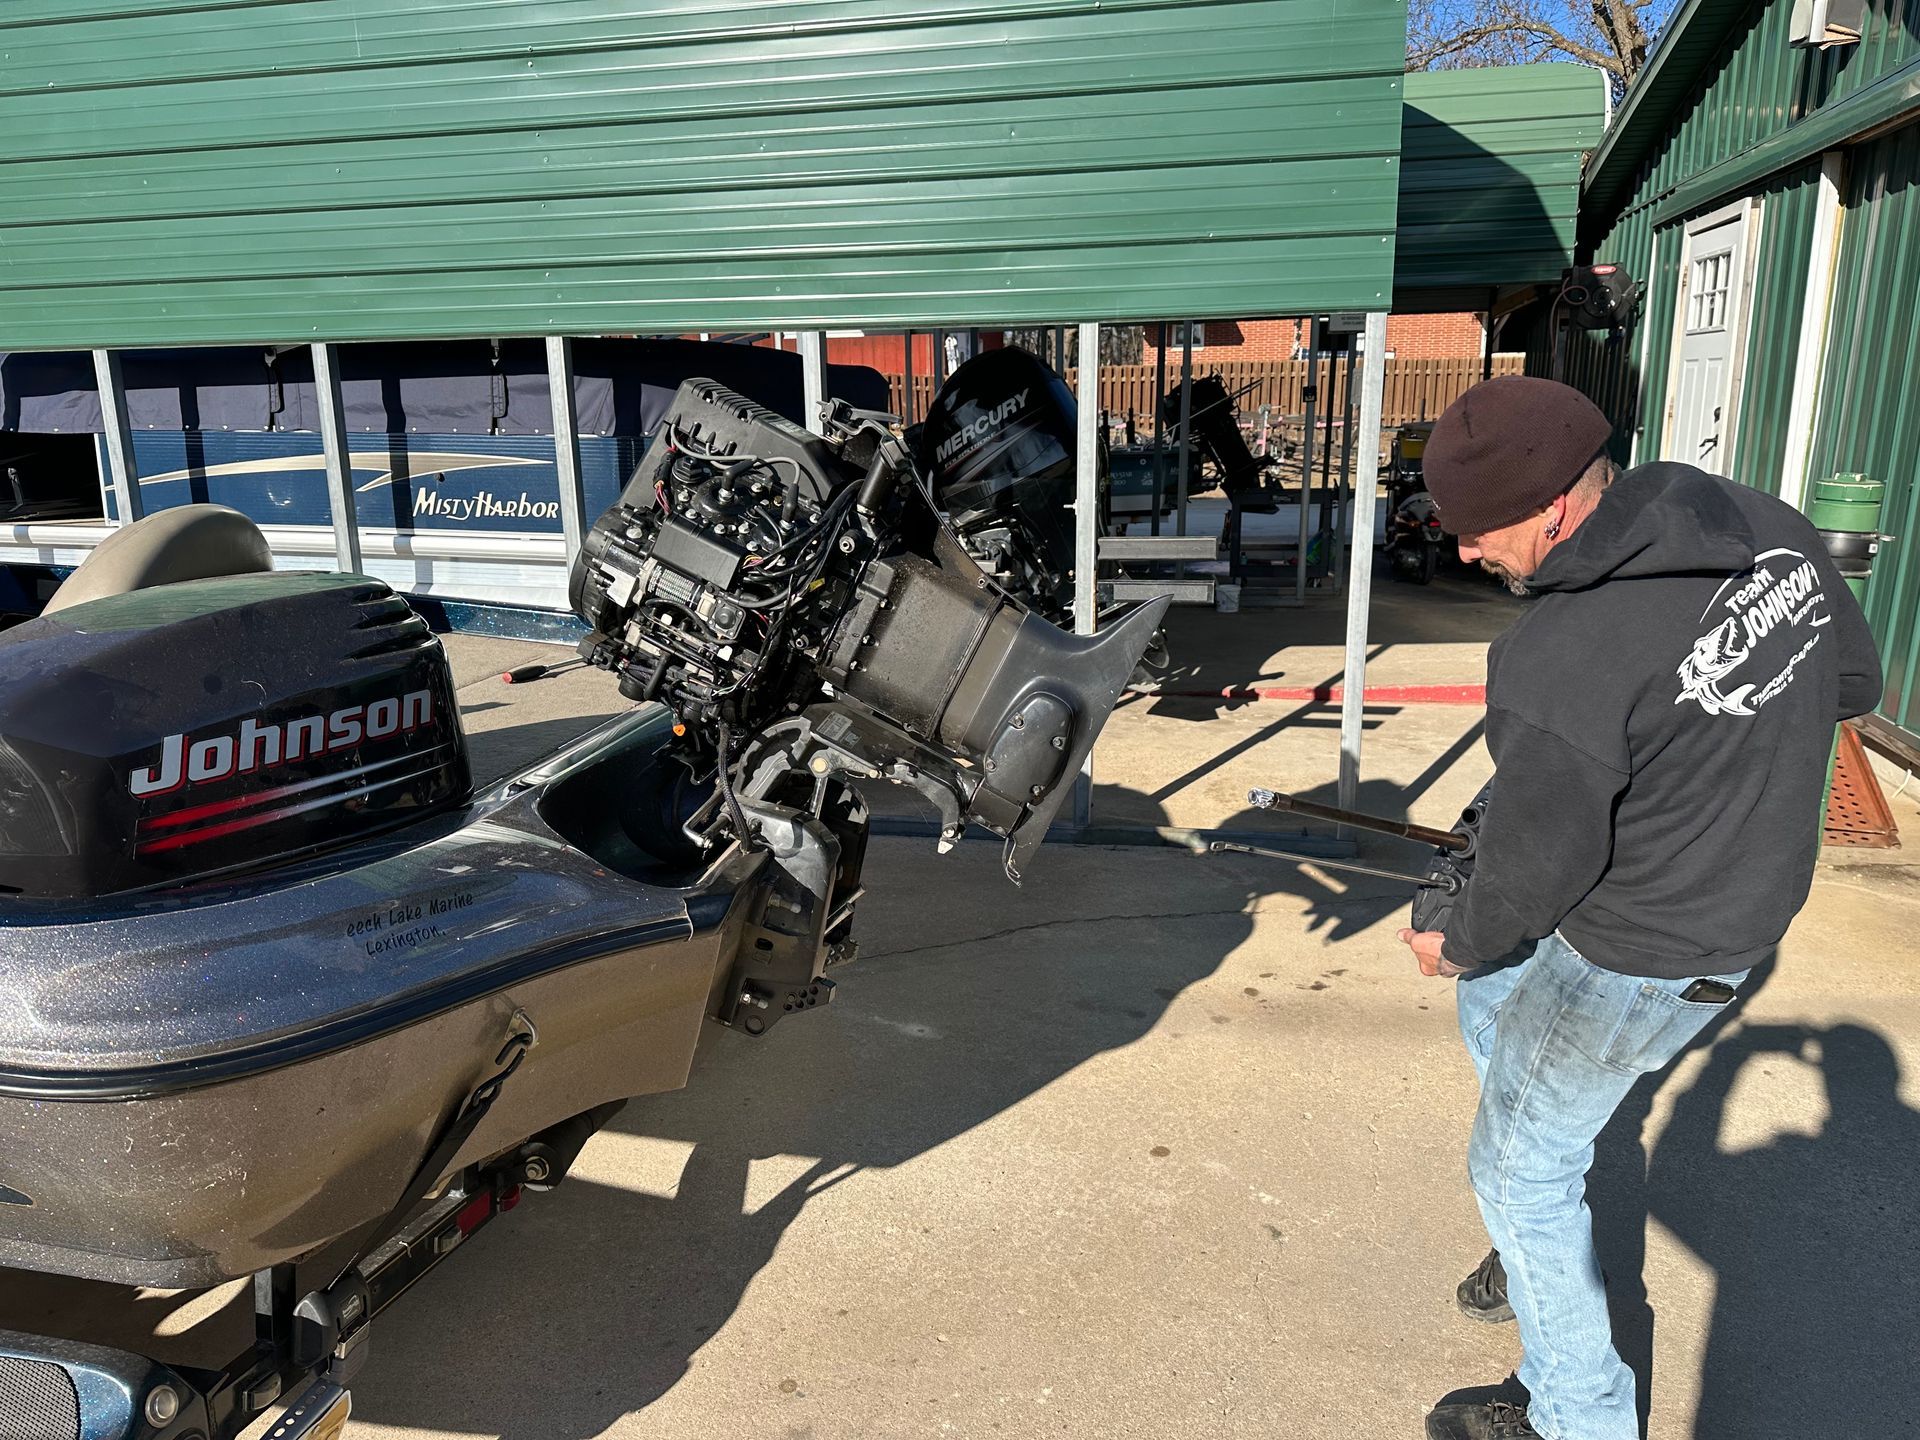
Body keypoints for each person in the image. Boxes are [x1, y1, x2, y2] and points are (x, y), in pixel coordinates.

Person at [1397, 376, 1883, 1440]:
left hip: (1634, 950)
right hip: (1749, 911)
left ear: (1555, 509)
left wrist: (1450, 934)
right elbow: (1853, 683)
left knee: (1516, 1170)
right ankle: (1540, 1247)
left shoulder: (1560, 656)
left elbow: (1526, 876)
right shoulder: (1762, 522)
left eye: (1478, 535)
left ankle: (1579, 1415)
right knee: (1499, 1015)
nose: (1466, 555)